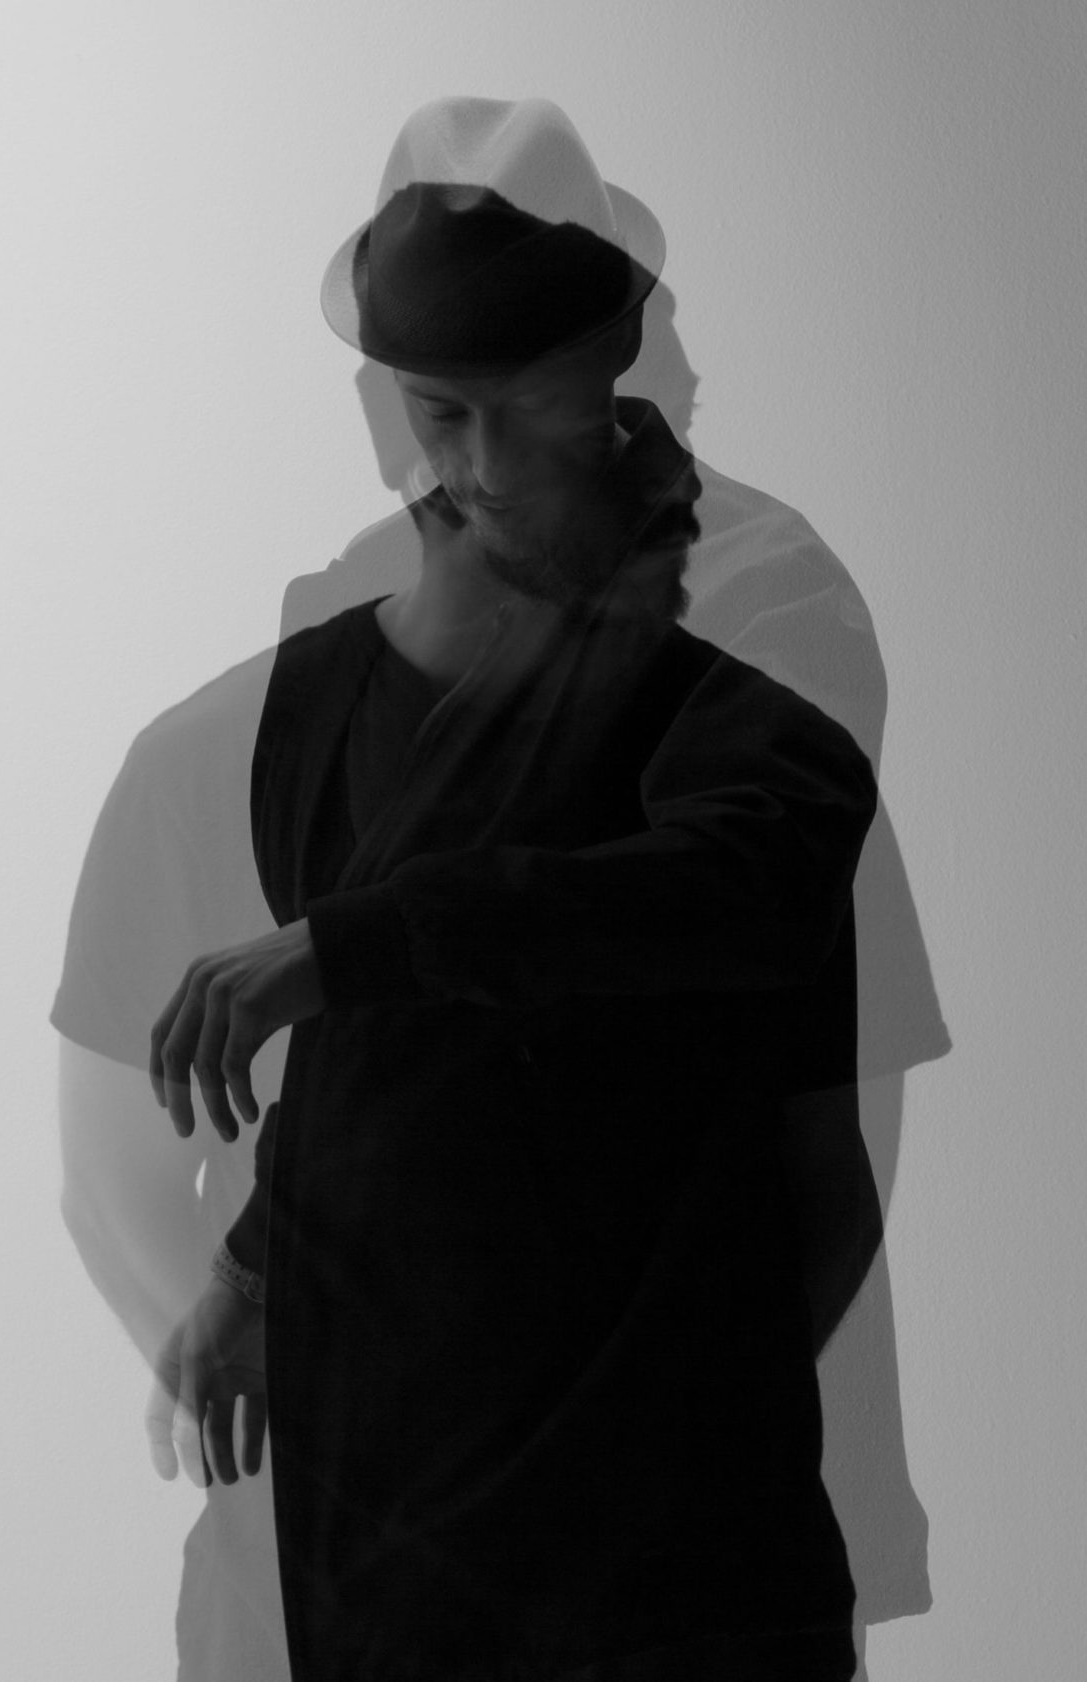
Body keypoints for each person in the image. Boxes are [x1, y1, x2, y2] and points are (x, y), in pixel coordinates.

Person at [139, 96, 888, 1682]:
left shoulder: (760, 628)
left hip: (663, 1556)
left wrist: (340, 945)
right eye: (437, 412)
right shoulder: (340, 670)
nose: (469, 468)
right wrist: (255, 1263)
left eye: (518, 406)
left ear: (607, 377)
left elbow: (732, 897)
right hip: (402, 1564)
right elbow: (408, 1060)